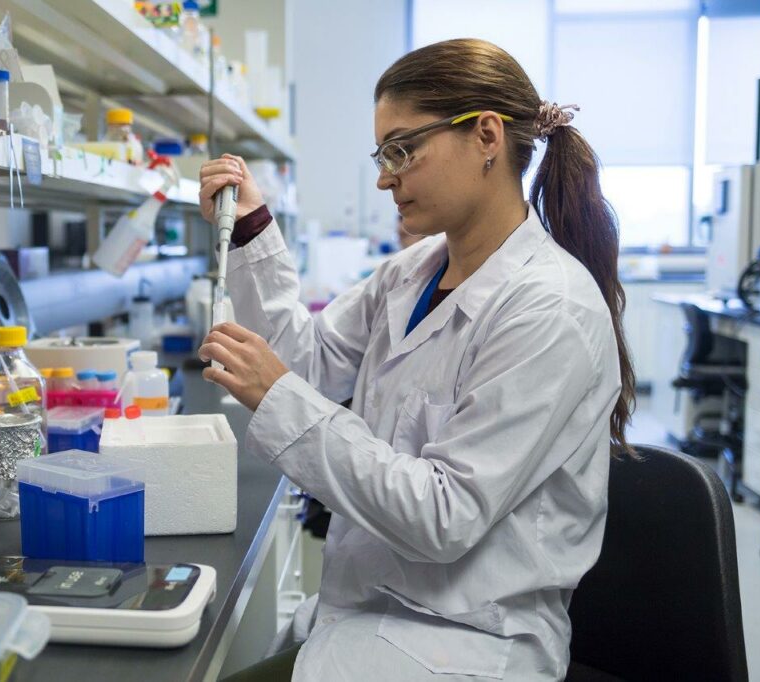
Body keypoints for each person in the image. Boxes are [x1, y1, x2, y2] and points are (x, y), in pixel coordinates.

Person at [198, 38, 634, 681]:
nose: (384, 176)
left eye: (402, 149)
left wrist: (283, 396)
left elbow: (444, 515)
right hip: (373, 614)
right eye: (382, 154)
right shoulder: (413, 272)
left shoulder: (550, 310)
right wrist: (253, 226)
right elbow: (306, 366)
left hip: (469, 640)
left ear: (486, 136)